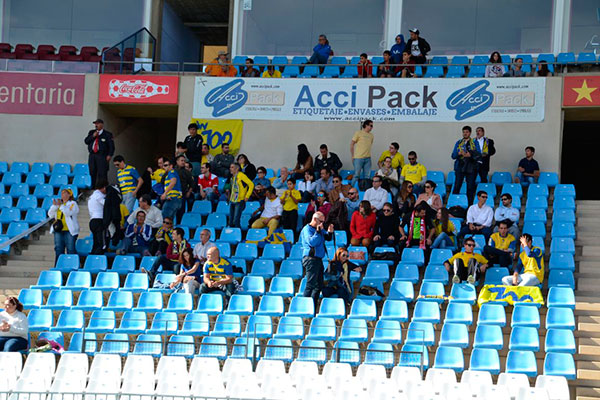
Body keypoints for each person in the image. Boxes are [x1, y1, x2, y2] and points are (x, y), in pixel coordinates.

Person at [300, 211, 334, 306]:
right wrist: (318, 232)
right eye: (321, 221)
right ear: (315, 219)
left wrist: (330, 232)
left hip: (318, 260)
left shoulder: (318, 228)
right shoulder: (307, 229)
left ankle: (312, 306)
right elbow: (312, 242)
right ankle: (304, 307)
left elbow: (326, 237)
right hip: (311, 259)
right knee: (310, 285)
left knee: (318, 285)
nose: (322, 223)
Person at [48, 188, 79, 265]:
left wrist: (61, 206)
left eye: (65, 193)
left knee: (71, 249)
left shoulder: (73, 203)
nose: (63, 195)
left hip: (69, 230)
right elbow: (50, 214)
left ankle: (72, 266)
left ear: (69, 195)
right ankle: (58, 266)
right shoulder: (59, 205)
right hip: (58, 229)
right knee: (58, 249)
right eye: (62, 194)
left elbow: (68, 212)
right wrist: (54, 206)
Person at [451, 126, 480, 205]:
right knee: (457, 186)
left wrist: (470, 155)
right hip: (460, 166)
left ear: (470, 133)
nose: (465, 133)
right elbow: (453, 155)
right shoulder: (459, 142)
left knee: (470, 187)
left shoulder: (474, 142)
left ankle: (469, 206)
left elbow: (478, 154)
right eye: (464, 132)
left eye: (467, 132)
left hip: (471, 167)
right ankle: (454, 205)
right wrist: (459, 153)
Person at [85, 118, 115, 189]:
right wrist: (93, 136)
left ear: (102, 124)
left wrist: (109, 155)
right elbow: (86, 141)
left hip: (102, 155)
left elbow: (111, 147)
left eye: (97, 123)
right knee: (92, 172)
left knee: (102, 173)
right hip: (92, 155)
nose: (96, 125)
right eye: (95, 124)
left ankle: (103, 188)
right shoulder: (91, 132)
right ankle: (93, 188)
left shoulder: (107, 134)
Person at [229, 163, 254, 228]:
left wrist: (247, 196)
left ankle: (238, 234)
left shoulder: (241, 175)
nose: (230, 169)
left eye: (232, 167)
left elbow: (251, 184)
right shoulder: (233, 176)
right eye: (230, 167)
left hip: (239, 200)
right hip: (232, 200)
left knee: (236, 220)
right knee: (230, 221)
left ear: (237, 168)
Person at [350, 120, 374, 186]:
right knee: (356, 175)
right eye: (371, 125)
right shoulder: (358, 133)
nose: (372, 127)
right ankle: (351, 191)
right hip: (358, 158)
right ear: (366, 125)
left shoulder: (371, 135)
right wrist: (352, 156)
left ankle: (366, 191)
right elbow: (352, 144)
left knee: (367, 176)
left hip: (368, 158)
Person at [88, 180, 107, 255]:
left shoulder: (91, 196)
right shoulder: (100, 196)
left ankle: (93, 256)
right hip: (99, 219)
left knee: (95, 241)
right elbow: (106, 204)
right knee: (101, 243)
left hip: (92, 220)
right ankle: (98, 257)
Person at [175, 155, 195, 224]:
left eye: (184, 161)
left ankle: (179, 225)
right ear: (177, 161)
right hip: (172, 195)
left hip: (182, 194)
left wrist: (189, 192)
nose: (183, 162)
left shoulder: (187, 172)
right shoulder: (172, 171)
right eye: (181, 160)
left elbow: (192, 184)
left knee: (181, 211)